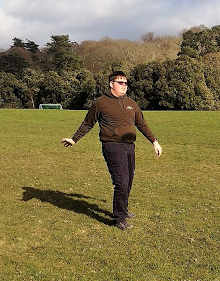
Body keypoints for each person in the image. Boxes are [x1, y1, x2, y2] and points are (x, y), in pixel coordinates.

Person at [61, 70, 162, 231]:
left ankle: (124, 209)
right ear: (111, 84)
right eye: (120, 82)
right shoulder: (101, 102)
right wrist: (74, 139)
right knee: (121, 181)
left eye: (126, 83)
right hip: (112, 146)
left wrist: (154, 141)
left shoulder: (131, 103)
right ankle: (119, 218)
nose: (124, 86)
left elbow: (142, 124)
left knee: (128, 180)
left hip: (130, 146)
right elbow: (88, 122)